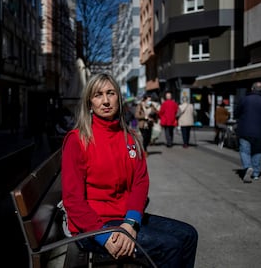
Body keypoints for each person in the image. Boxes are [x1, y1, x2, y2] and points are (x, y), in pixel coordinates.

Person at [61, 73, 198, 267]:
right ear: (89, 103)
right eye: (98, 95)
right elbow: (73, 200)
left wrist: (131, 221)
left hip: (124, 217)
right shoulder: (77, 140)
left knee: (189, 235)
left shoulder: (130, 137)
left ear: (119, 97)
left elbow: (140, 181)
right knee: (170, 246)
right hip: (93, 225)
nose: (106, 101)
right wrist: (104, 236)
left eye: (111, 93)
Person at [234, 81, 261, 182]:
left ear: (252, 89)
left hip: (245, 130)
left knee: (244, 150)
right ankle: (256, 173)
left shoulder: (244, 99)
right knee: (257, 151)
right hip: (260, 131)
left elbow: (236, 113)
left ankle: (248, 167)